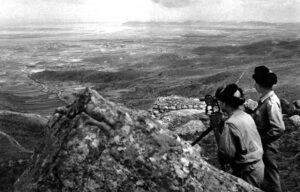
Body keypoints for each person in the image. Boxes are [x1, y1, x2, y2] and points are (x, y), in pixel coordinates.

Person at [216, 84, 264, 188]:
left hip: (247, 171)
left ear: (225, 103)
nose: (219, 104)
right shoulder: (246, 116)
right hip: (258, 166)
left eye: (220, 101)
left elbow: (227, 154)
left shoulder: (230, 124)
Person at [252, 66, 285, 192]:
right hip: (265, 144)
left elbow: (279, 128)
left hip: (268, 145)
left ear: (261, 84)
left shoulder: (271, 102)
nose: (254, 85)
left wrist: (262, 139)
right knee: (269, 173)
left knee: (272, 176)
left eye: (256, 82)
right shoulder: (265, 100)